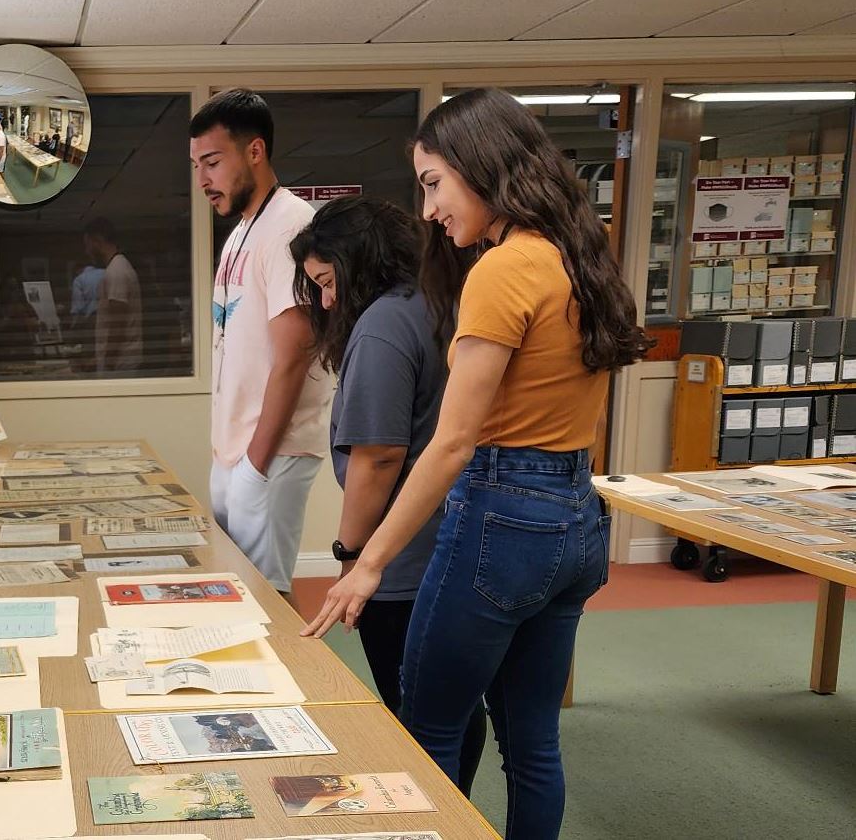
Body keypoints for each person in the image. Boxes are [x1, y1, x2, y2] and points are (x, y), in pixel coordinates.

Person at [302, 88, 651, 840]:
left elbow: (453, 444)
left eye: (433, 184)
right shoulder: (578, 258)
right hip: (575, 514)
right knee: (533, 742)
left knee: (424, 735)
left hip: (501, 513)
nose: (427, 210)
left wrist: (367, 564)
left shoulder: (502, 269)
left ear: (480, 165)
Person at [288, 195, 487, 796]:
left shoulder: (380, 326)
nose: (325, 301)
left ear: (358, 265)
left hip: (403, 557)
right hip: (454, 538)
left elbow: (378, 456)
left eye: (327, 283)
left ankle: (436, 818)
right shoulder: (436, 302)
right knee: (456, 705)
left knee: (419, 712)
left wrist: (351, 554)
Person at [189, 87, 331, 596]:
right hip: (235, 451)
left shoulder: (292, 226)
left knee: (267, 596)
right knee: (236, 590)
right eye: (196, 165)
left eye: (212, 162)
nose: (203, 179)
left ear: (255, 151)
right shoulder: (240, 233)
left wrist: (255, 461)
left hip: (270, 451)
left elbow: (294, 356)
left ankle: (310, 679)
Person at [83, 217, 142, 373]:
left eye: (88, 244)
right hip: (119, 360)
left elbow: (118, 321)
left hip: (120, 363)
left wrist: (108, 361)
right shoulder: (117, 267)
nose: (87, 251)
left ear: (98, 241)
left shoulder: (117, 271)